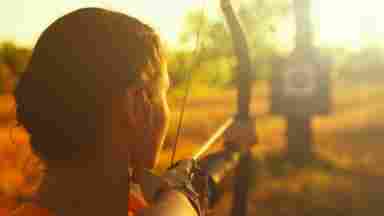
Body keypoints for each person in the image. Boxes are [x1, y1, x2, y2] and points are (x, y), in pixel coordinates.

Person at [12, 5, 257, 216]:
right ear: (137, 105)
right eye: (165, 93)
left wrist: (230, 154)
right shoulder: (164, 206)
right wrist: (183, 197)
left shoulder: (136, 205)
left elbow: (199, 186)